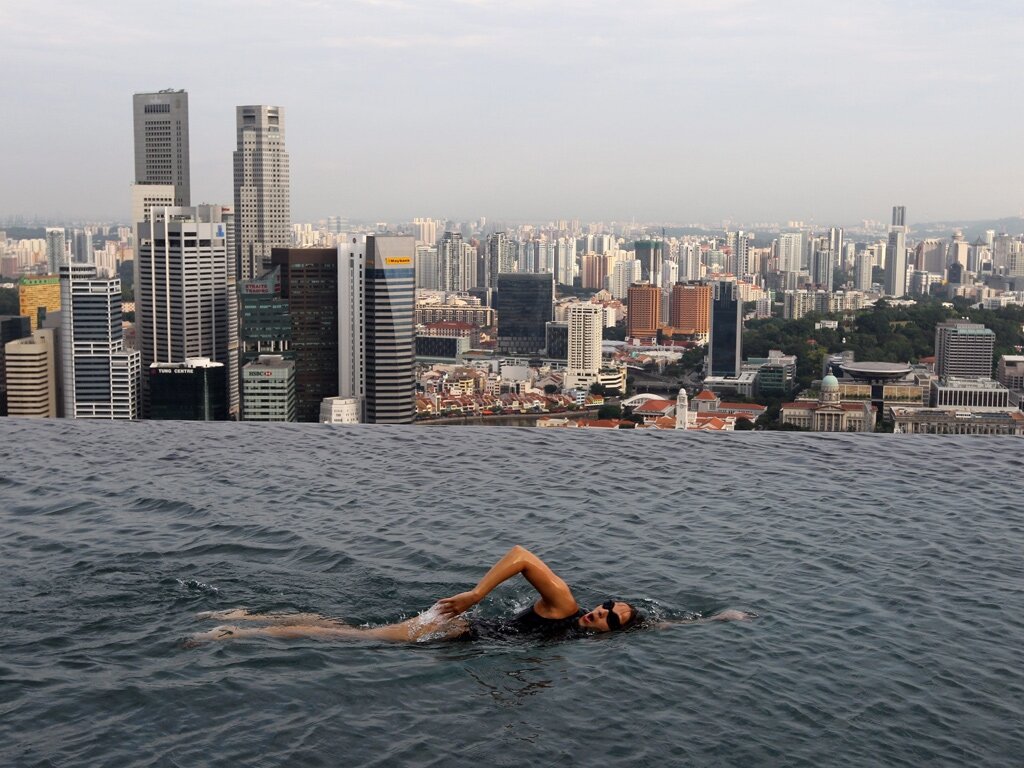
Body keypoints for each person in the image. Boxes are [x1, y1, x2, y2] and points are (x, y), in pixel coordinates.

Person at [190, 545, 751, 644]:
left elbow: (659, 626)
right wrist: (478, 595)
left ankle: (245, 614)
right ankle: (236, 632)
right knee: (349, 640)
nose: (600, 614)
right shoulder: (565, 605)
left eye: (610, 619)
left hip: (457, 634)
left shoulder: (587, 638)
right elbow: (523, 554)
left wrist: (717, 620)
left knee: (341, 627)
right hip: (454, 626)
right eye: (606, 606)